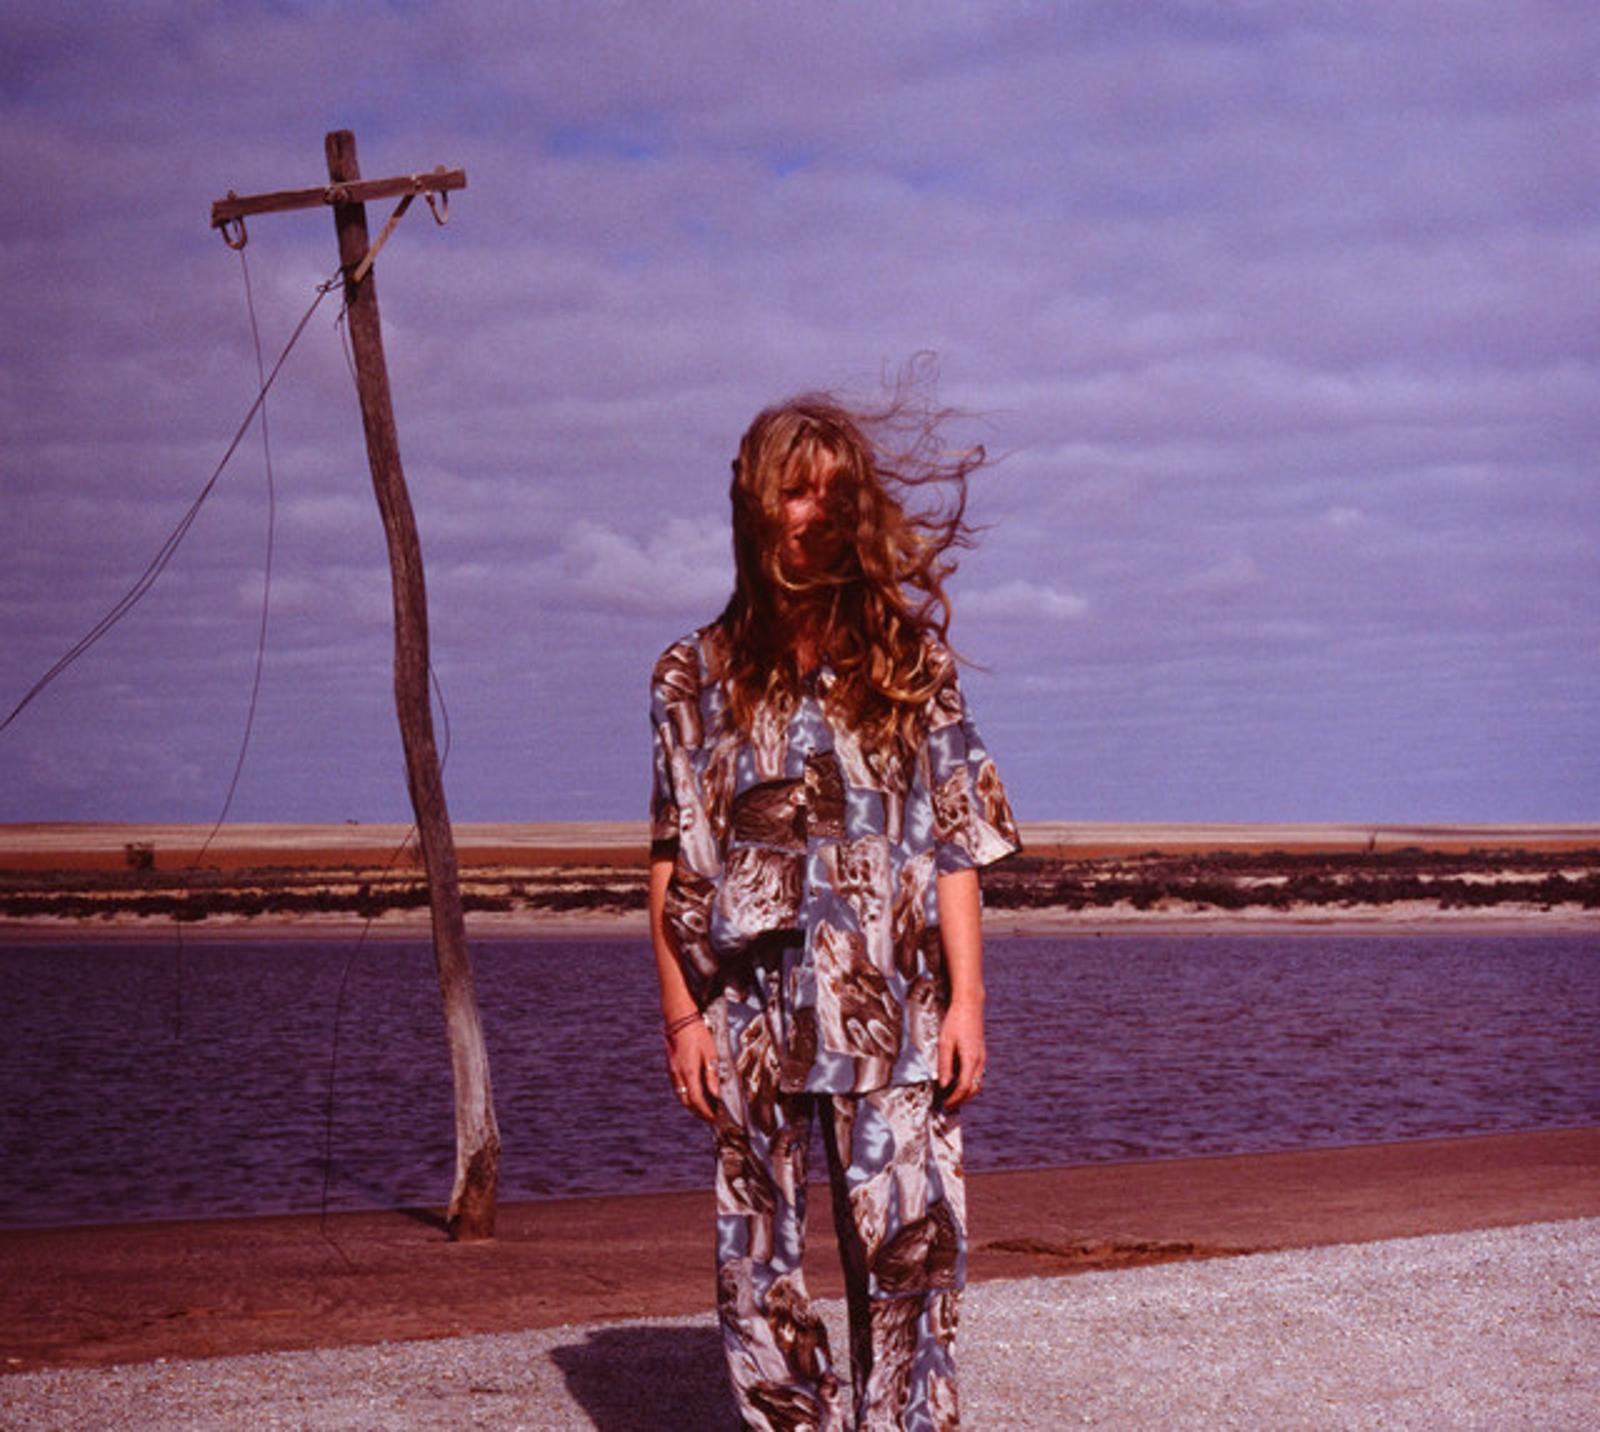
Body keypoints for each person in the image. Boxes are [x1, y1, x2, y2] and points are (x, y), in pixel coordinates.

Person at [648, 389, 1020, 1431]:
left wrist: (968, 1003)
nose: (814, 514)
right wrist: (680, 1017)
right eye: (794, 492)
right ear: (754, 504)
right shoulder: (691, 677)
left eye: (832, 493)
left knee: (911, 1250)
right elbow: (671, 856)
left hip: (894, 1001)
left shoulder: (910, 666)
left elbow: (956, 844)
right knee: (756, 1260)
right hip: (747, 1007)